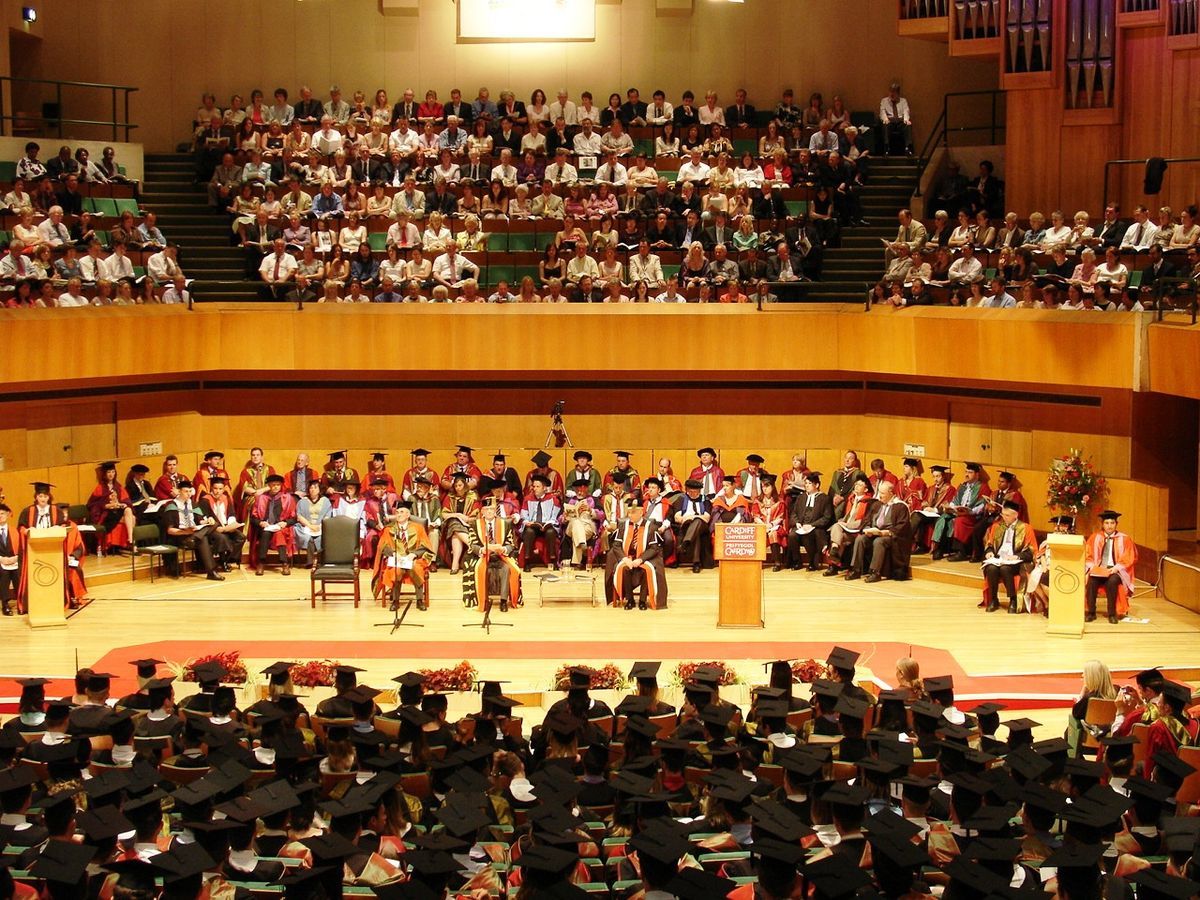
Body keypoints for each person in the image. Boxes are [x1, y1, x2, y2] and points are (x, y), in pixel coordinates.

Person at [372, 502, 435, 611]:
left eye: (402, 512)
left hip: (414, 559)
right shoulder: (389, 529)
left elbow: (425, 545)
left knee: (416, 568)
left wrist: (414, 554)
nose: (399, 514)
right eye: (397, 512)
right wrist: (394, 554)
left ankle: (420, 600)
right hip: (397, 559)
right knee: (397, 570)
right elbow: (383, 546)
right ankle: (395, 601)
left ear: (408, 515)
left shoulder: (418, 528)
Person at [605, 500, 667, 610]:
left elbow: (654, 549)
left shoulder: (651, 527)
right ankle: (630, 600)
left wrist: (641, 559)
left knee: (646, 569)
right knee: (625, 569)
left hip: (644, 557)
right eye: (628, 512)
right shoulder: (623, 526)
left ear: (641, 512)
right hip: (627, 557)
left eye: (633, 512)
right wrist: (624, 559)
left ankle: (643, 601)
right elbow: (616, 545)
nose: (630, 515)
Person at [847, 480, 912, 582]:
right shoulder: (877, 505)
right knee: (860, 539)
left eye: (882, 493)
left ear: (891, 493)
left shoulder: (900, 506)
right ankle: (856, 570)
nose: (879, 496)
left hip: (891, 536)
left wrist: (884, 533)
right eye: (879, 492)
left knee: (879, 541)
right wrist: (868, 530)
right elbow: (867, 520)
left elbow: (902, 527)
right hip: (875, 533)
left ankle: (875, 572)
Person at [979, 500, 1036, 613]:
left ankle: (1013, 600)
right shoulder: (997, 526)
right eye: (1003, 514)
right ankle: (993, 600)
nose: (1004, 517)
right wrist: (989, 552)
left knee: (1005, 569)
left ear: (1016, 515)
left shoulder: (1025, 528)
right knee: (991, 568)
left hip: (1015, 562)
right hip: (998, 558)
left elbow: (1032, 550)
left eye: (1007, 515)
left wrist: (1017, 556)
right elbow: (989, 544)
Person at [161, 479, 223, 581]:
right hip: (179, 536)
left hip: (193, 534)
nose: (189, 494)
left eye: (190, 491)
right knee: (203, 538)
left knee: (214, 523)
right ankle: (211, 572)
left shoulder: (193, 504)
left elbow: (200, 521)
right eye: (186, 491)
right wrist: (186, 532)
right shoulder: (171, 506)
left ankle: (194, 538)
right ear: (179, 491)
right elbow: (170, 530)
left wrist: (207, 520)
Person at [466, 497, 521, 612]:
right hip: (484, 557)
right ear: (482, 512)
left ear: (495, 510)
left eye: (491, 509)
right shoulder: (474, 524)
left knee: (507, 569)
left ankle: (503, 601)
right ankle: (483, 600)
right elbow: (472, 545)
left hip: (500, 557)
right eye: (487, 509)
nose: (490, 511)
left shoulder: (504, 524)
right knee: (480, 569)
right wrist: (483, 549)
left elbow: (511, 544)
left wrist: (503, 549)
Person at [1084, 509, 1136, 624]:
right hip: (1099, 569)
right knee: (1091, 581)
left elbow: (1129, 557)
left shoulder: (1125, 539)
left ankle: (1112, 614)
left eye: (1112, 523)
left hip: (1115, 570)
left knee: (1112, 581)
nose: (1109, 526)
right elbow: (1088, 555)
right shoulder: (1094, 537)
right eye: (1107, 523)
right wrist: (1093, 567)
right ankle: (1091, 612)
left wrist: (1116, 568)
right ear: (1102, 524)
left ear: (1116, 524)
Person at [931, 462, 990, 561]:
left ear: (977, 474)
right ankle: (939, 549)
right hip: (958, 513)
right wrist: (951, 507)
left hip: (972, 516)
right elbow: (955, 500)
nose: (967, 474)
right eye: (966, 472)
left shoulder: (983, 487)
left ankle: (961, 552)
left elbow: (982, 506)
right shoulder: (962, 486)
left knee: (959, 521)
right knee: (943, 517)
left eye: (970, 472)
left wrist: (969, 512)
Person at [825, 473, 873, 577]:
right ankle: (835, 552)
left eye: (860, 485)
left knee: (837, 528)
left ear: (866, 489)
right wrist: (843, 523)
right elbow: (846, 516)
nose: (856, 486)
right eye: (856, 484)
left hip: (858, 530)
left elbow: (865, 521)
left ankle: (834, 563)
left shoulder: (869, 502)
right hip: (847, 530)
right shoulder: (851, 499)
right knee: (838, 530)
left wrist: (847, 525)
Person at [786, 471, 833, 571]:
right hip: (801, 526)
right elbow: (794, 513)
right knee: (792, 536)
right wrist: (797, 522)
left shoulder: (824, 498)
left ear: (817, 485)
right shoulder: (801, 497)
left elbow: (827, 517)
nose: (807, 486)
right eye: (805, 483)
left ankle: (812, 562)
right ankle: (797, 561)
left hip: (815, 528)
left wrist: (812, 525)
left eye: (809, 484)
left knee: (808, 535)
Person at [251, 474, 297, 576]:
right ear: (269, 485)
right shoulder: (261, 498)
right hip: (266, 527)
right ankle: (261, 563)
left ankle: (284, 563)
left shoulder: (287, 499)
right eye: (273, 485)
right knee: (265, 534)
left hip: (281, 528)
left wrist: (285, 523)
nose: (276, 487)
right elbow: (253, 518)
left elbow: (294, 518)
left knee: (279, 534)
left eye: (278, 485)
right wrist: (260, 522)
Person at [196, 476, 245, 570]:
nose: (217, 491)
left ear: (223, 489)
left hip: (226, 526)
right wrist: (216, 527)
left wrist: (231, 525)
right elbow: (203, 518)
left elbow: (231, 514)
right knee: (223, 538)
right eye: (215, 488)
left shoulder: (226, 499)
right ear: (211, 488)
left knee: (241, 537)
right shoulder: (205, 500)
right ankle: (223, 562)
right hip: (212, 528)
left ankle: (227, 559)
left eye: (220, 489)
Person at [86, 461, 136, 554]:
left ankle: (130, 538)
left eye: (113, 472)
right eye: (108, 472)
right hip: (106, 515)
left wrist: (123, 504)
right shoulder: (100, 488)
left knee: (128, 510)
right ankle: (132, 544)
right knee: (132, 518)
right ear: (104, 474)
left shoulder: (118, 486)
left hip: (118, 512)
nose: (111, 474)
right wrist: (107, 506)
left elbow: (126, 500)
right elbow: (92, 504)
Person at [519, 475, 561, 572]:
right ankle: (527, 561)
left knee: (550, 532)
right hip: (533, 525)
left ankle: (553, 560)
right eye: (534, 486)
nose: (535, 489)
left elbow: (555, 517)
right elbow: (523, 515)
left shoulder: (553, 499)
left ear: (544, 488)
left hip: (548, 525)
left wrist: (548, 523)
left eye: (538, 487)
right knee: (529, 531)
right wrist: (527, 522)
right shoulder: (527, 499)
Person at [673, 479, 713, 573]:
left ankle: (686, 543)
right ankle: (696, 563)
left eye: (695, 492)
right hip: (686, 524)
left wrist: (694, 517)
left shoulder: (705, 500)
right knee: (696, 533)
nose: (692, 494)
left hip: (702, 525)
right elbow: (677, 518)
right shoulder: (681, 499)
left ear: (699, 491)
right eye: (690, 491)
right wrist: (687, 518)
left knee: (697, 521)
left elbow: (706, 518)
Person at [879, 82, 913, 155]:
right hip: (890, 122)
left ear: (898, 93)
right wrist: (885, 119)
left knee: (908, 125)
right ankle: (886, 148)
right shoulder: (884, 101)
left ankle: (908, 147)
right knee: (885, 125)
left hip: (900, 122)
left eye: (894, 92)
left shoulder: (903, 101)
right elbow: (882, 112)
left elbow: (906, 111)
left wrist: (906, 120)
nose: (892, 94)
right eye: (890, 91)